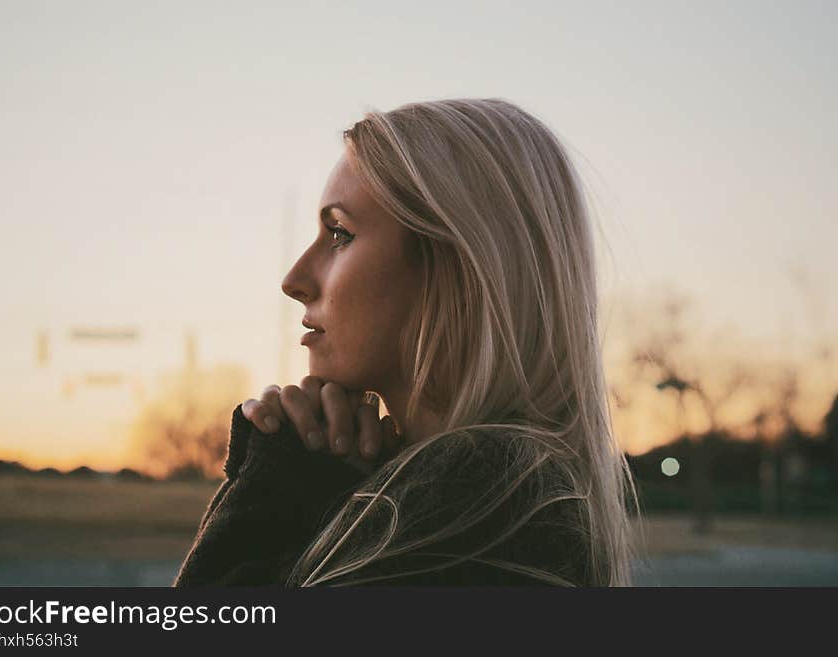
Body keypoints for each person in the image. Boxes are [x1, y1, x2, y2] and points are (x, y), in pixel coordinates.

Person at [173, 97, 643, 587]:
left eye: (340, 234)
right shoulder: (496, 498)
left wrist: (273, 489)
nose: (294, 280)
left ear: (457, 267)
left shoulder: (477, 499)